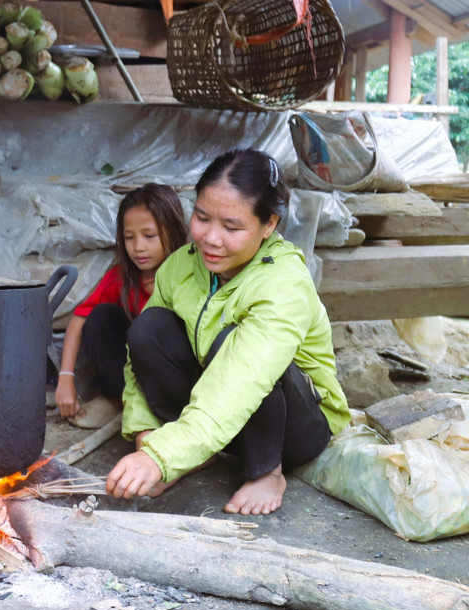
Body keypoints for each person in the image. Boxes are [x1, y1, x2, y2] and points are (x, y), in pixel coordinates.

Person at [106, 148, 350, 515]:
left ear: (269, 225)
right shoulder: (182, 266)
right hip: (222, 418)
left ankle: (267, 471)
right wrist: (147, 433)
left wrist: (161, 455)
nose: (210, 239)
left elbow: (242, 380)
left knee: (233, 345)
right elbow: (137, 360)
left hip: (295, 427)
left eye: (232, 227)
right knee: (147, 329)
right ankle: (197, 453)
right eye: (202, 218)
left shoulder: (283, 282)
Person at [55, 183, 188, 428]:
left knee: (154, 323)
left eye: (150, 236)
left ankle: (169, 412)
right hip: (133, 374)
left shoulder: (192, 274)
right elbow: (79, 319)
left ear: (175, 231)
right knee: (101, 316)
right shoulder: (123, 277)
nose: (138, 247)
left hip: (177, 379)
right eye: (129, 237)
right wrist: (66, 378)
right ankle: (118, 399)